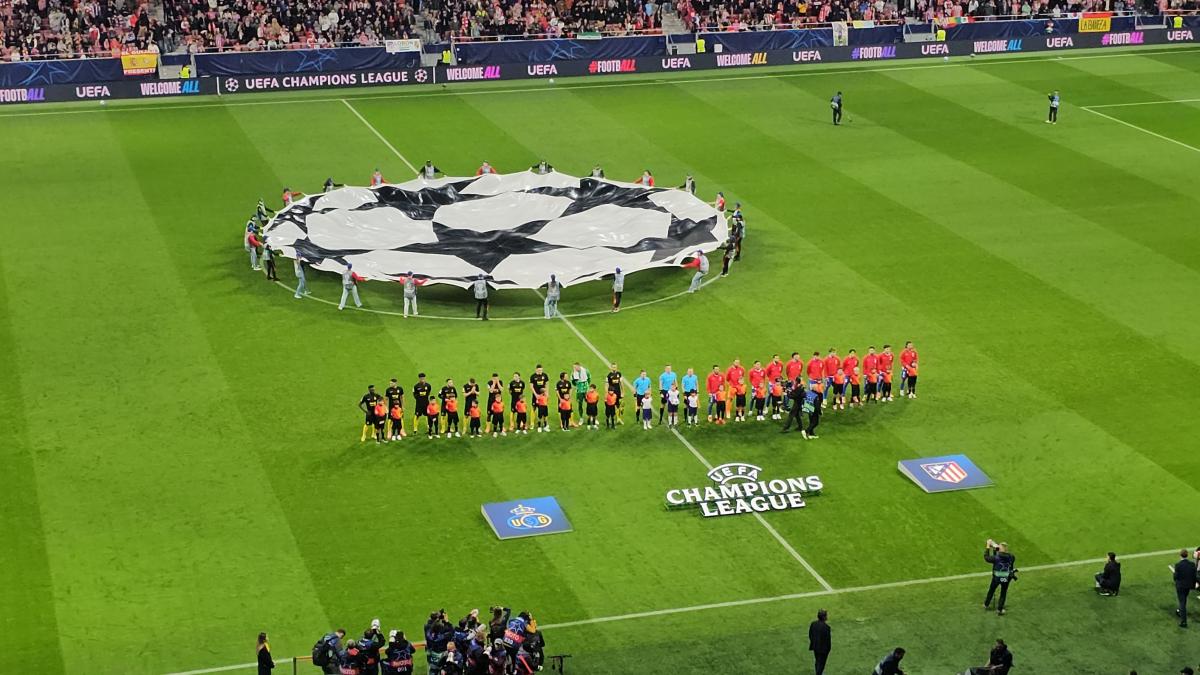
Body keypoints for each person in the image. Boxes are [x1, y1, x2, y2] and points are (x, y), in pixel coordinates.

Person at [984, 539, 1016, 615]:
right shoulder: (1012, 557)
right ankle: (999, 609)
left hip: (996, 578)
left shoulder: (996, 557)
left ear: (999, 550)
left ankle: (986, 604)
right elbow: (1003, 557)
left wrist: (988, 546)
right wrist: (997, 549)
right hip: (1006, 577)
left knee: (991, 590)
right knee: (1003, 593)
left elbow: (986, 557)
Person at [1174, 548, 1197, 627]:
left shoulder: (1178, 565)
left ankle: (1183, 621)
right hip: (1188, 586)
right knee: (1184, 600)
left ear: (1180, 555)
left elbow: (1175, 577)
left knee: (1182, 602)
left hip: (1180, 586)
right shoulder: (1192, 564)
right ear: (1187, 555)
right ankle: (1181, 611)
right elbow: (1194, 576)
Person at [807, 610, 831, 675]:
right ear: (824, 617)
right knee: (822, 664)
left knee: (817, 661)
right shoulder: (826, 627)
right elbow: (827, 641)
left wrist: (813, 643)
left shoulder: (813, 624)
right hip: (823, 650)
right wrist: (828, 650)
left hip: (815, 647)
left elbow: (810, 634)